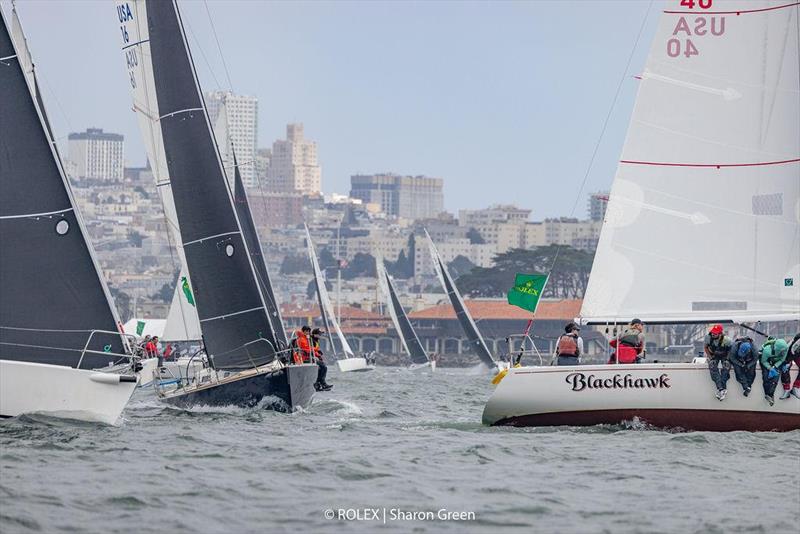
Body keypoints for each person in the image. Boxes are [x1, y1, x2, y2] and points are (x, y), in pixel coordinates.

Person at [704, 324, 732, 400]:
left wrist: (727, 359)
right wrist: (711, 358)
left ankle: (722, 388)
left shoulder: (727, 340)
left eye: (715, 333)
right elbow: (706, 348)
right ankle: (721, 389)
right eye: (713, 332)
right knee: (712, 367)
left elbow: (730, 350)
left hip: (724, 355)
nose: (713, 334)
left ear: (720, 333)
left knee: (726, 368)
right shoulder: (708, 338)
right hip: (713, 354)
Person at [760, 337, 789, 406]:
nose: (784, 352)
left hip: (776, 363)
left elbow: (782, 359)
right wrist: (770, 368)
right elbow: (763, 361)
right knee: (765, 378)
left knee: (775, 379)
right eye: (782, 351)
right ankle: (767, 394)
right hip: (766, 362)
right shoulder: (767, 351)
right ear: (777, 349)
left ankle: (770, 395)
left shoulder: (785, 349)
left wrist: (775, 366)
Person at [779, 333, 800, 400]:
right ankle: (787, 390)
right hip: (790, 352)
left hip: (797, 353)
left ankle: (795, 387)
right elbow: (792, 351)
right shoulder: (797, 343)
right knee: (785, 368)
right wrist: (787, 362)